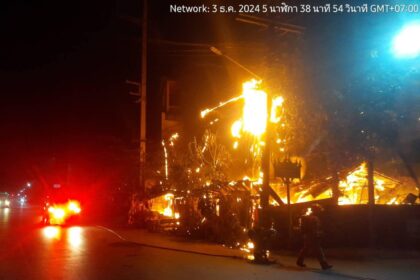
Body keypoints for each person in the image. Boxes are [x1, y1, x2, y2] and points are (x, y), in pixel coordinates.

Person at [296, 204, 333, 270]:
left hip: (308, 236)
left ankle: (299, 261)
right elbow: (313, 228)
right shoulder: (312, 218)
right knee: (318, 250)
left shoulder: (307, 217)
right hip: (312, 236)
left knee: (306, 248)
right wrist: (318, 233)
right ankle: (324, 265)